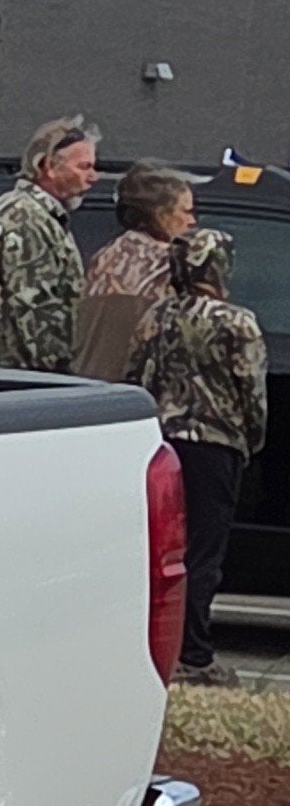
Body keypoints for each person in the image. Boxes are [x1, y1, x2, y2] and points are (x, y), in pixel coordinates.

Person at [134, 225, 265, 674]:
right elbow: (252, 392)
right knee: (204, 552)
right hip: (215, 446)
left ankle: (161, 647)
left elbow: (138, 376)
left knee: (164, 548)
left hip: (163, 442)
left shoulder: (156, 316)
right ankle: (195, 653)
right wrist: (250, 439)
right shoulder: (237, 323)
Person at [0, 113, 100, 370]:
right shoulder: (23, 218)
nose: (94, 177)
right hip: (19, 382)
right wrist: (66, 375)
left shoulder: (42, 216)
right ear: (47, 167)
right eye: (84, 167)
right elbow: (37, 314)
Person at [72, 159, 196, 380]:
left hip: (88, 382)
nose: (192, 221)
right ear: (161, 214)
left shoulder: (106, 256)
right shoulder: (168, 263)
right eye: (186, 211)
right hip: (134, 390)